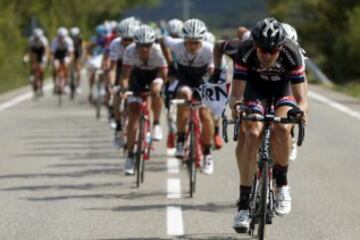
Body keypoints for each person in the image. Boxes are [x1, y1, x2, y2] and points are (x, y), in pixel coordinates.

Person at [212, 17, 309, 233]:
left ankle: (282, 183)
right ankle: (244, 205)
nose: (266, 55)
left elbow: (302, 100)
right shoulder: (244, 51)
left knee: (282, 127)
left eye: (272, 51)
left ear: (281, 48)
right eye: (262, 50)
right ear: (255, 45)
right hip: (254, 89)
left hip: (283, 89)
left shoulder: (292, 53)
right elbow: (236, 95)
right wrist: (237, 108)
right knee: (249, 133)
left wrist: (300, 113)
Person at [160, 18, 215, 175]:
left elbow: (212, 72)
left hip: (202, 79)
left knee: (205, 114)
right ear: (184, 40)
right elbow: (162, 39)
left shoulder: (209, 49)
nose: (192, 46)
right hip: (184, 77)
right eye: (189, 42)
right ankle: (180, 139)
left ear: (202, 40)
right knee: (183, 97)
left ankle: (207, 153)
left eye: (196, 42)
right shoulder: (176, 45)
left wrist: (211, 87)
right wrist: (170, 62)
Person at [121, 25, 168, 175]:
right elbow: (126, 76)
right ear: (136, 44)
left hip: (155, 75)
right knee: (134, 112)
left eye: (147, 45)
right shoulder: (129, 51)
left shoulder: (158, 51)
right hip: (137, 77)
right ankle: (129, 155)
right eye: (141, 46)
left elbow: (164, 73)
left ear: (152, 44)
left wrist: (160, 86)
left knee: (155, 91)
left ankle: (156, 124)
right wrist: (124, 88)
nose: (144, 49)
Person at [110, 18, 139, 148]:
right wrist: (112, 85)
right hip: (122, 69)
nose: (127, 42)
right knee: (117, 94)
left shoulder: (140, 43)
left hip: (137, 68)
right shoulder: (115, 44)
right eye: (124, 39)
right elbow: (112, 68)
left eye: (130, 40)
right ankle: (118, 126)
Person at [26, 28, 49, 96]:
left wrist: (45, 57)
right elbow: (29, 50)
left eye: (38, 37)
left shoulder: (44, 40)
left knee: (41, 69)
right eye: (36, 37)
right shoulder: (31, 39)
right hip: (34, 51)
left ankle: (41, 83)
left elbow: (46, 49)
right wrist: (26, 57)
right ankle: (32, 75)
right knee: (33, 64)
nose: (37, 39)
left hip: (41, 52)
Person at [50, 27, 74, 93]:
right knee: (55, 67)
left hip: (65, 54)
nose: (61, 38)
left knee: (66, 66)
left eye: (63, 37)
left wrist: (70, 60)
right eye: (60, 37)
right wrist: (52, 60)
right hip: (57, 54)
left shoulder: (69, 41)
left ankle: (66, 83)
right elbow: (52, 53)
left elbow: (71, 53)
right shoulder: (54, 41)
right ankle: (55, 84)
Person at [70, 27, 83, 92]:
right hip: (71, 52)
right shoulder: (69, 39)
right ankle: (68, 83)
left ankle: (78, 84)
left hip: (77, 52)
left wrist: (81, 58)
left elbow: (81, 49)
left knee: (78, 69)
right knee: (69, 67)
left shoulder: (80, 39)